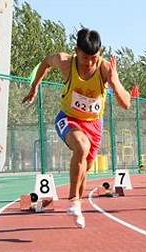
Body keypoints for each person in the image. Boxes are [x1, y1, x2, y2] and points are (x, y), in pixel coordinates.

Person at [22, 28, 131, 228]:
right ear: (76, 51)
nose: (89, 63)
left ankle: (77, 205)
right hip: (68, 118)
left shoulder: (105, 68)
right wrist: (34, 87)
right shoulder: (65, 62)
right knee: (81, 147)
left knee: (86, 168)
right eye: (85, 58)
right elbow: (46, 62)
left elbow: (126, 104)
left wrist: (114, 83)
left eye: (94, 58)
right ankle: (73, 200)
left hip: (94, 124)